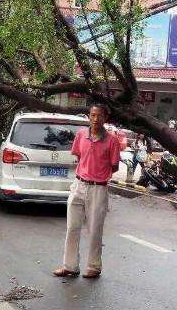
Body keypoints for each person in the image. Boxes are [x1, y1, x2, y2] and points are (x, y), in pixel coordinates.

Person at [53, 104, 120, 279]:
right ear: (89, 116)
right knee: (72, 227)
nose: (95, 119)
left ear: (105, 118)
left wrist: (98, 174)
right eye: (92, 115)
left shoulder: (112, 140)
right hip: (78, 185)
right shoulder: (81, 135)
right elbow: (78, 156)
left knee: (95, 229)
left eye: (99, 116)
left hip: (98, 188)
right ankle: (70, 266)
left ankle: (94, 267)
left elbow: (114, 166)